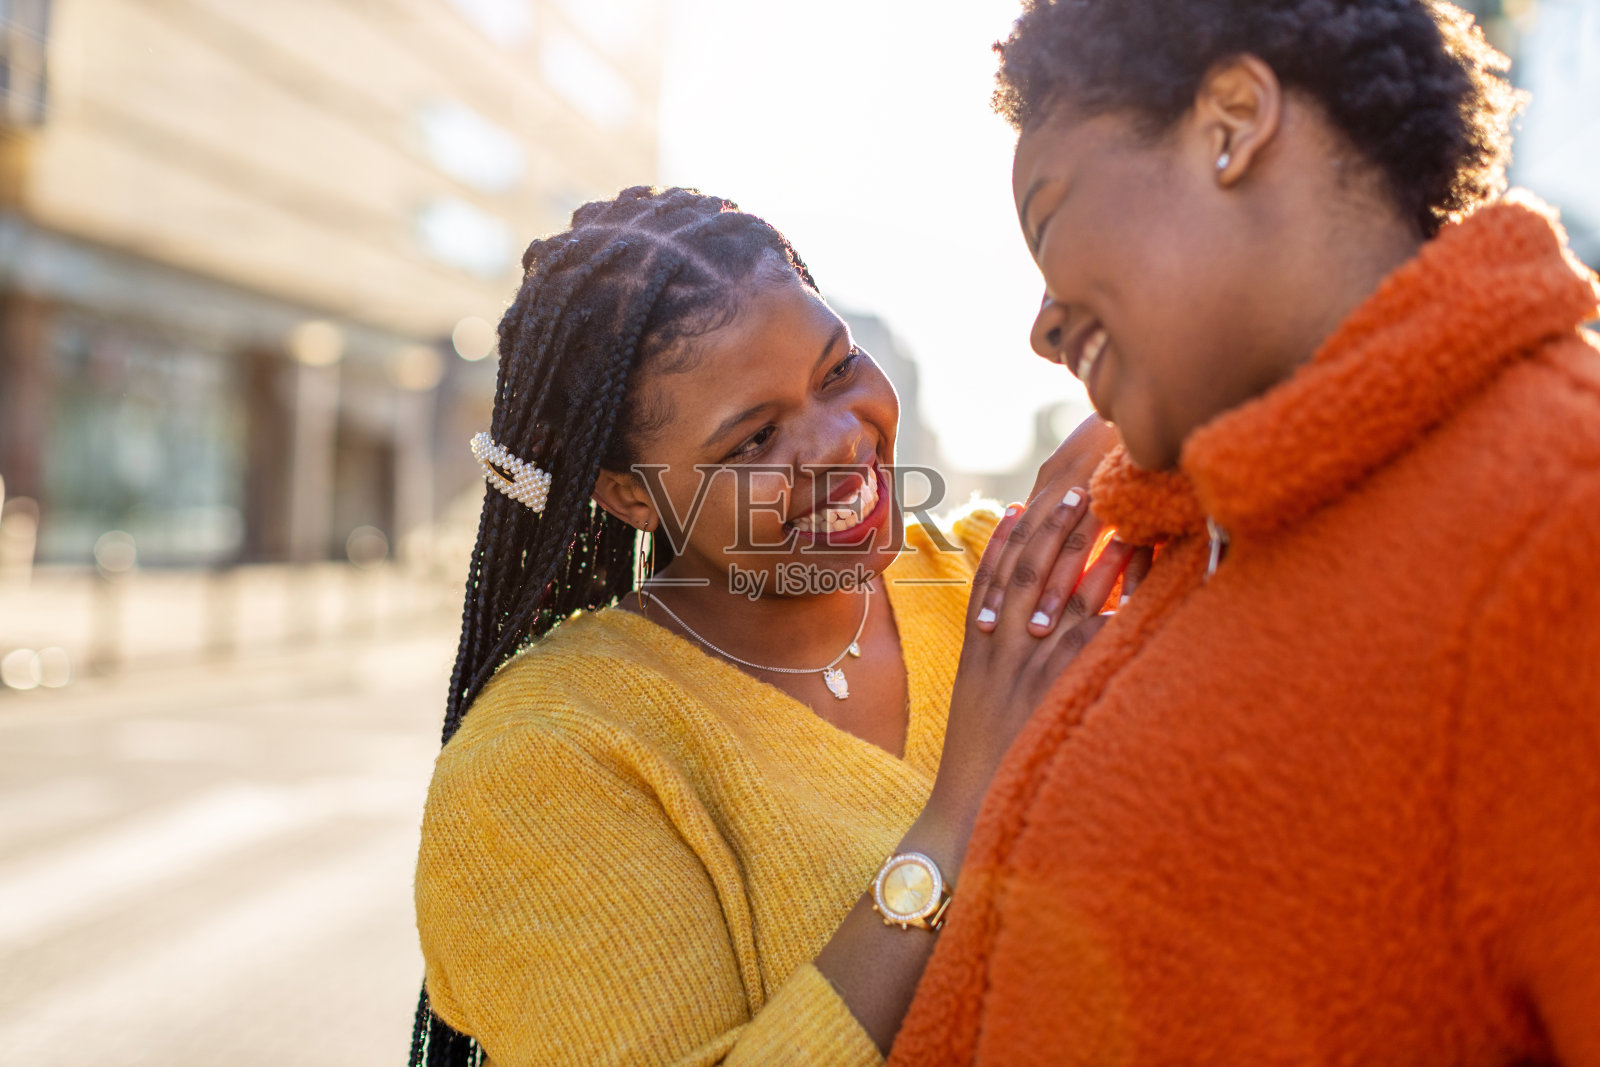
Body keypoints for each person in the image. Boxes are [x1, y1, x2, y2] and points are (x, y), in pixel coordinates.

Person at [890, 2, 1600, 1065]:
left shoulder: (1557, 525)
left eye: (1049, 220)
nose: (1039, 322)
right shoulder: (1186, 556)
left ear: (1231, 120)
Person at [408, 186, 1144, 1066]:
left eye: (837, 369)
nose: (838, 440)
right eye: (753, 440)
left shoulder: (1014, 571)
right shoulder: (547, 759)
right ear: (633, 494)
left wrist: (1153, 422)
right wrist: (959, 814)